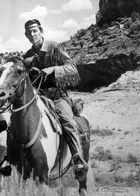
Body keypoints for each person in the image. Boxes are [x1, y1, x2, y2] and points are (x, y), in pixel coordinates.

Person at [22, 19, 88, 179]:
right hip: (38, 98)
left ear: (41, 31)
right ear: (26, 35)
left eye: (35, 30)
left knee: (67, 121)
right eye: (29, 32)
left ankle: (77, 159)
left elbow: (72, 67)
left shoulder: (54, 47)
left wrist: (52, 69)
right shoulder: (27, 56)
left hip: (58, 96)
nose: (33, 34)